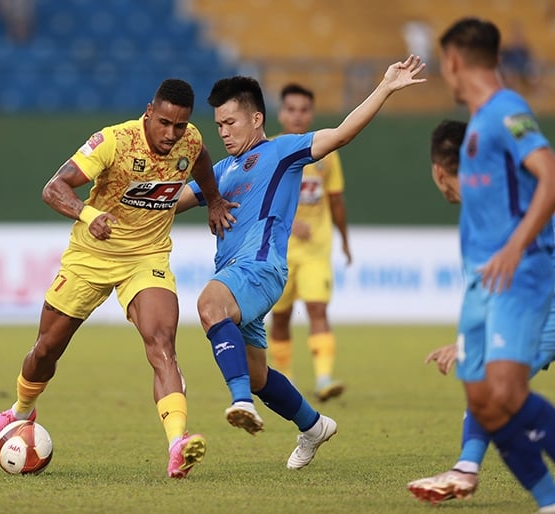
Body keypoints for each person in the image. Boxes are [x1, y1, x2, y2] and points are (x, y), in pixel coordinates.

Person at [0, 78, 233, 479]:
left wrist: (213, 199)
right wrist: (89, 215)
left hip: (147, 257)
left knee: (162, 343)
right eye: (164, 123)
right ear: (149, 111)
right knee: (46, 350)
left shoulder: (190, 140)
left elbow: (201, 161)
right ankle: (19, 411)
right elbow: (53, 187)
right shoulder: (113, 142)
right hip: (90, 256)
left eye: (179, 126)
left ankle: (177, 444)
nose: (171, 134)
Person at [176, 55, 426, 469]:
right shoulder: (219, 169)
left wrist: (385, 87)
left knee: (208, 305)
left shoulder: (283, 152)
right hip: (237, 275)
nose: (223, 132)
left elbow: (342, 134)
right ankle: (313, 426)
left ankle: (239, 402)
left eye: (231, 123)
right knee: (259, 376)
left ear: (256, 119)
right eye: (218, 125)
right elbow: (173, 202)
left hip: (260, 268)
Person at [433, 18, 555, 512]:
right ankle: (552, 504)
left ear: (454, 62)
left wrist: (517, 244)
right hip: (482, 285)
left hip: (519, 277)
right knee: (483, 402)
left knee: (505, 393)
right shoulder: (478, 125)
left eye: (443, 65)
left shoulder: (506, 111)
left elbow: (554, 177)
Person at [406, 119, 555, 505]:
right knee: (495, 393)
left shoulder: (482, 212)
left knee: (496, 390)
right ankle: (472, 470)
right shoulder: (513, 190)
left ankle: (472, 470)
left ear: (439, 171)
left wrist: (469, 342)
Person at [267, 83, 352, 401]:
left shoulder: (327, 152)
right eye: (291, 109)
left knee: (317, 308)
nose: (298, 116)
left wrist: (345, 239)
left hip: (317, 248)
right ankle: (285, 379)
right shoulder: (270, 150)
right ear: (281, 113)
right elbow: (261, 200)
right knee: (281, 316)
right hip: (279, 249)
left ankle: (324, 378)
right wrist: (289, 223)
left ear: (312, 113)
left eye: (304, 110)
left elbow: (337, 199)